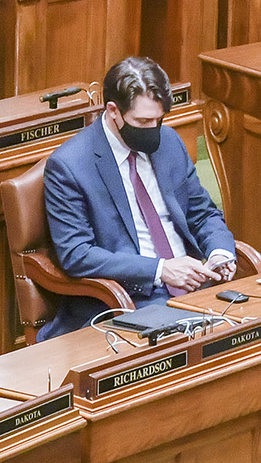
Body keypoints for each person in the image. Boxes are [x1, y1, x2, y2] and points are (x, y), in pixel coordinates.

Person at [39, 56, 239, 340]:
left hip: (198, 283)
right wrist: (160, 270)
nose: (153, 130)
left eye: (158, 119)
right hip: (131, 299)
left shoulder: (168, 141)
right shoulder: (70, 166)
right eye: (143, 121)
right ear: (113, 111)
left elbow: (203, 213)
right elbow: (77, 254)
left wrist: (220, 252)